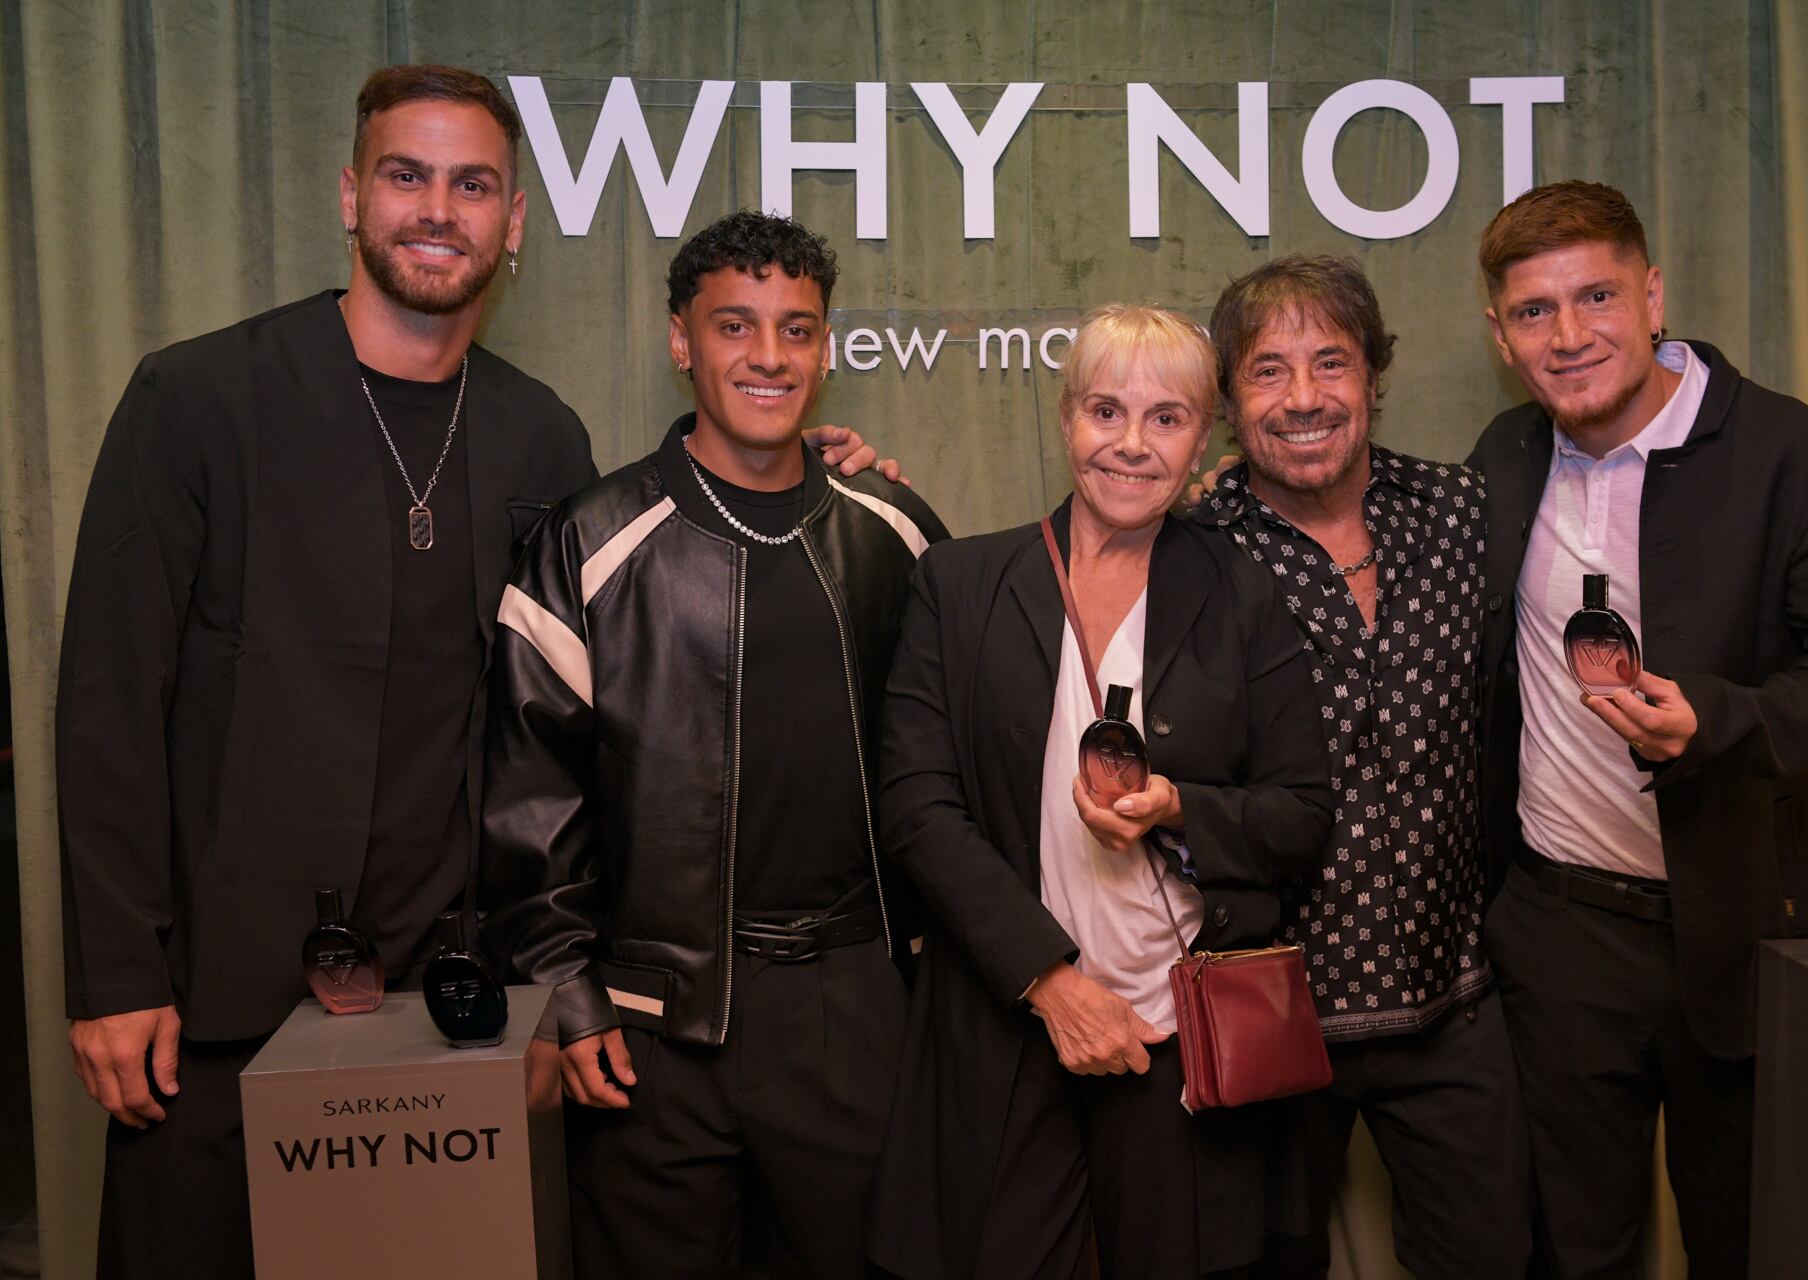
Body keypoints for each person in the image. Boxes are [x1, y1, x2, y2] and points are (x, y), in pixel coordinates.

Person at [57, 66, 884, 1280]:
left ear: (513, 224)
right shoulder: (196, 399)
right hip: (217, 997)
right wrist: (118, 970)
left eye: (473, 184)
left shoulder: (540, 433)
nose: (437, 209)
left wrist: (793, 467)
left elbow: (586, 702)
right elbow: (108, 700)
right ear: (352, 195)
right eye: (407, 175)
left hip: (463, 1004)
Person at [479, 209, 947, 1279]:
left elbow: (952, 765)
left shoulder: (897, 531)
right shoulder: (588, 540)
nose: (769, 356)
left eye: (797, 328)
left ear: (826, 348)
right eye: (735, 326)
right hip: (653, 1017)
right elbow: (526, 794)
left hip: (853, 1005)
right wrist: (567, 988)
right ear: (683, 339)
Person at [1468, 180, 1808, 1278]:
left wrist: (1719, 716)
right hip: (1559, 933)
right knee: (1573, 1249)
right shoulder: (1507, 455)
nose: (1569, 336)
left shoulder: (1804, 458)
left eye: (1596, 295)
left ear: (1653, 291)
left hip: (1744, 929)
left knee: (1759, 1239)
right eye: (1534, 311)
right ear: (1500, 333)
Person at [867, 303, 1334, 1280]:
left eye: (1166, 418)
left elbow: (1301, 811)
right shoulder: (962, 584)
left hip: (1179, 1043)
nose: (1130, 443)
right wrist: (1051, 983)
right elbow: (917, 805)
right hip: (1010, 1023)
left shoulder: (1244, 594)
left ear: (1203, 436)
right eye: (1105, 410)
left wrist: (1178, 809)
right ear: (1066, 417)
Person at [1192, 258, 1532, 1280]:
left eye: (1330, 362)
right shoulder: (1193, 548)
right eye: (1268, 371)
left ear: (1375, 376)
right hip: (1271, 1007)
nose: (1303, 398)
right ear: (1226, 399)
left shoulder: (1464, 509)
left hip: (1452, 1000)